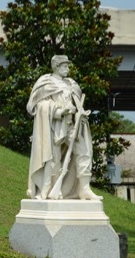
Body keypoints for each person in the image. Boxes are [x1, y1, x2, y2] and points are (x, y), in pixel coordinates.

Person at [26, 55, 101, 201]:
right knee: (54, 158)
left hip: (73, 125)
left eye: (68, 66)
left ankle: (85, 189)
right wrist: (58, 112)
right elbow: (36, 106)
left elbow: (77, 102)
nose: (68, 69)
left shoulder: (72, 83)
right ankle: (54, 190)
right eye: (64, 66)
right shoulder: (45, 83)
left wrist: (80, 112)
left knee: (84, 152)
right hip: (55, 126)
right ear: (56, 67)